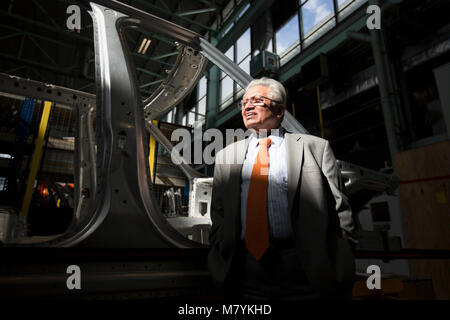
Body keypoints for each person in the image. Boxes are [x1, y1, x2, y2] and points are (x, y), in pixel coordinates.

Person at [208, 77, 356, 300]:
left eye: (256, 100)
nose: (247, 106)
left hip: (306, 269)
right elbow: (218, 212)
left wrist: (341, 257)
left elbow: (339, 209)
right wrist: (220, 248)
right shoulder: (226, 156)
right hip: (243, 271)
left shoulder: (315, 148)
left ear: (279, 111)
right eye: (244, 102)